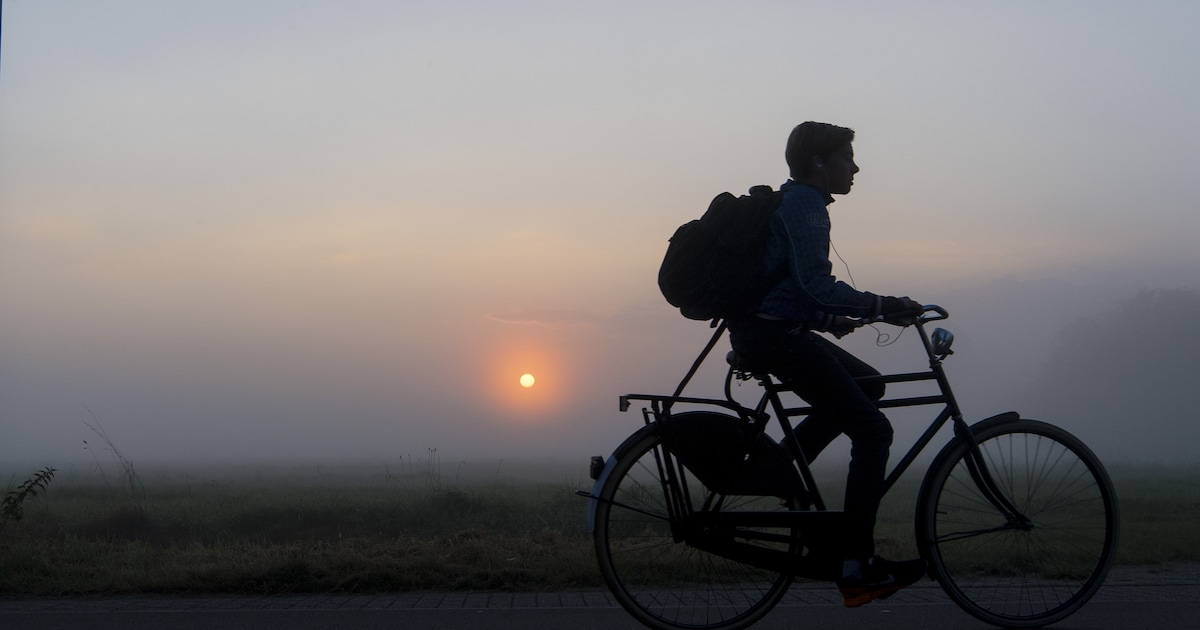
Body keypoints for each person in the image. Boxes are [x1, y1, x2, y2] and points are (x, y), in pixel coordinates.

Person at [727, 121, 927, 607]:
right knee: (875, 432)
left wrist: (828, 318)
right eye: (846, 156)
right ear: (819, 163)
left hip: (771, 329)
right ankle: (857, 566)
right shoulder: (807, 206)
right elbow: (815, 283)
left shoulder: (796, 201)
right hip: (775, 337)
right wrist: (884, 305)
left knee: (869, 385)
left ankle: (782, 471)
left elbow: (794, 287)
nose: (855, 167)